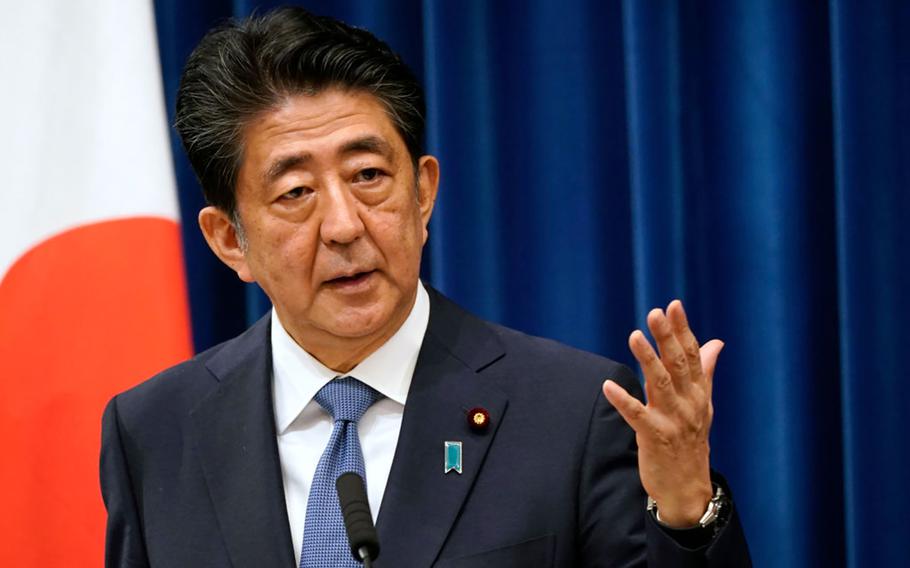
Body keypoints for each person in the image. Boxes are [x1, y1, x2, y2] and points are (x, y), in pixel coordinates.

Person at [100, 7, 750, 567]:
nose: (345, 225)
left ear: (423, 193)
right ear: (229, 241)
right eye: (296, 192)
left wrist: (685, 510)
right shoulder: (156, 434)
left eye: (369, 175)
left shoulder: (572, 414)